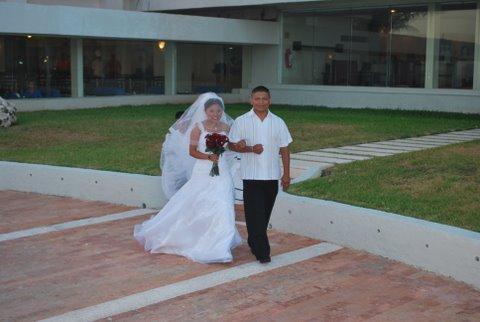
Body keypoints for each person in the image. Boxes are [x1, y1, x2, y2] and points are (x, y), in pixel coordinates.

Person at [134, 93, 242, 263]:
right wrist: (208, 158)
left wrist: (238, 146)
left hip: (222, 171)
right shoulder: (198, 128)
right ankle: (195, 237)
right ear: (205, 111)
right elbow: (192, 152)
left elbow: (230, 146)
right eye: (212, 111)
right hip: (203, 170)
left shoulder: (226, 127)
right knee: (197, 201)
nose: (216, 114)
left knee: (223, 203)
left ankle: (220, 245)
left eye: (219, 111)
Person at [229, 85, 292, 264]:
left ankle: (254, 240)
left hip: (272, 176)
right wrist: (245, 147)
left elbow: (285, 149)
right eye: (257, 99)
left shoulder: (278, 122)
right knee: (254, 213)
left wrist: (286, 174)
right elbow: (231, 145)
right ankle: (262, 252)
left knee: (263, 215)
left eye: (264, 98)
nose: (261, 102)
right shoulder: (241, 121)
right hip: (251, 175)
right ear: (251, 100)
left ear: (269, 100)